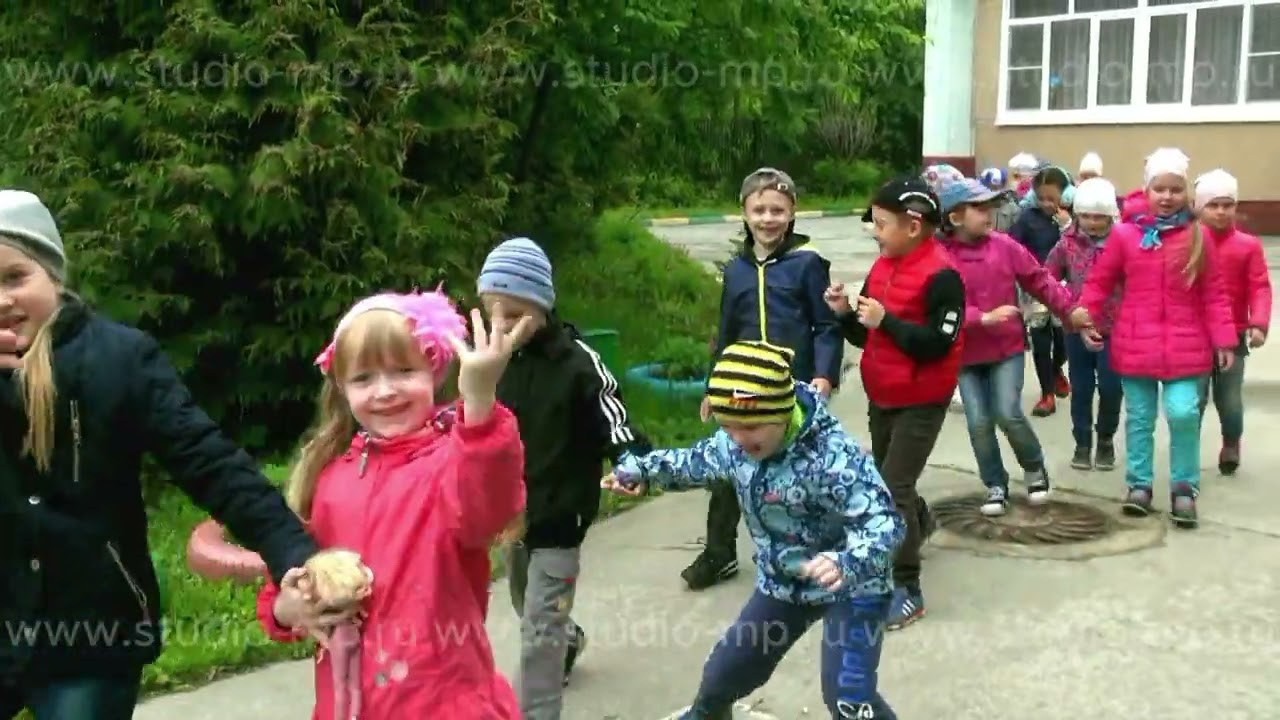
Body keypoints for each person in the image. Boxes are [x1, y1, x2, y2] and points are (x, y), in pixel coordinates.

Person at [0, 189, 320, 719]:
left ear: (53, 276)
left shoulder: (120, 359)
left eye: (15, 278)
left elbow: (209, 461)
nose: (3, 300)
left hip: (91, 634)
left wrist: (290, 549)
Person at [256, 289, 528, 718]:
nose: (385, 391)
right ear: (342, 389)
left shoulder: (451, 462)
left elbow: (486, 508)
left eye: (404, 371)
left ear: (434, 373)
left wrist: (479, 401)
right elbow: (293, 575)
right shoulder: (329, 478)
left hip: (442, 705)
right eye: (363, 379)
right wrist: (289, 607)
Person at [602, 341, 903, 720]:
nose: (740, 438)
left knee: (849, 695)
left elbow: (884, 520)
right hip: (786, 579)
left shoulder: (833, 457)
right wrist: (643, 472)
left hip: (853, 582)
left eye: (751, 426)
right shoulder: (734, 445)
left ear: (782, 413)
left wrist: (849, 560)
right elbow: (692, 462)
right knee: (722, 675)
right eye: (728, 426)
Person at [475, 237, 651, 717]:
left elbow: (614, 417)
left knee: (537, 639)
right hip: (511, 515)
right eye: (494, 314)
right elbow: (469, 419)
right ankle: (568, 636)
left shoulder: (577, 362)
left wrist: (633, 459)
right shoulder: (492, 362)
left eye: (515, 314)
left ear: (543, 306)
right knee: (522, 600)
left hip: (561, 515)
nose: (504, 326)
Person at [689, 167, 843, 592]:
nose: (768, 218)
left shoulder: (807, 263)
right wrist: (712, 386)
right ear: (745, 212)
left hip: (791, 390)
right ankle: (718, 552)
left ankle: (817, 551)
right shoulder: (737, 269)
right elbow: (726, 330)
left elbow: (826, 326)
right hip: (740, 388)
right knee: (726, 466)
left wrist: (824, 376)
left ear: (792, 213)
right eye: (759, 210)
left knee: (802, 472)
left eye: (778, 210)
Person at [826, 175, 963, 630]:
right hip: (882, 391)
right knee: (889, 481)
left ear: (913, 225)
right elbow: (867, 337)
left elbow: (936, 346)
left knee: (890, 489)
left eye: (882, 224)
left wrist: (887, 322)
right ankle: (919, 523)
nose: (875, 232)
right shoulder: (883, 266)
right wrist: (846, 313)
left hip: (923, 397)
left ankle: (907, 588)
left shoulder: (944, 277)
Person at [1080, 147, 1237, 528]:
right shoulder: (1123, 236)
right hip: (1136, 346)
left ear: (1186, 193)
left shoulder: (1199, 237)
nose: (1167, 197)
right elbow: (1100, 282)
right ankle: (1140, 486)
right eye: (1159, 188)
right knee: (1139, 418)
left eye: (1175, 189)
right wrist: (1086, 318)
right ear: (1146, 190)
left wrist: (1224, 340)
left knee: (1184, 413)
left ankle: (1184, 488)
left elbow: (1215, 293)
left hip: (1188, 348)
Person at [936, 177, 1090, 517]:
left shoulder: (1004, 245)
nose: (988, 213)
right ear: (955, 217)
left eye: (990, 205)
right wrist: (981, 318)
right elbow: (940, 305)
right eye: (978, 207)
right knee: (978, 421)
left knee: (1007, 411)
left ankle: (1034, 468)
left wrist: (1069, 309)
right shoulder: (940, 255)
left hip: (1006, 348)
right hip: (965, 353)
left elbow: (1039, 279)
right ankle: (995, 484)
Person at [1192, 169, 1271, 475]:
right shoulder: (1190, 241)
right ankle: (1188, 451)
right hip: (1195, 336)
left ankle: (1231, 442)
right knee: (1192, 402)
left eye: (1228, 205)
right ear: (1199, 207)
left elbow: (1259, 286)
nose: (1221, 211)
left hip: (1234, 336)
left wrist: (1259, 322)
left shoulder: (1247, 245)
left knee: (1230, 402)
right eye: (1213, 205)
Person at [1045, 177, 1124, 471]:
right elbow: (1047, 277)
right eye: (1086, 215)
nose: (1092, 222)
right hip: (1077, 327)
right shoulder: (1067, 243)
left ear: (1110, 215)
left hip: (1115, 329)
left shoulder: (1123, 241)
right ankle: (1082, 442)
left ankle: (1105, 439)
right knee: (1081, 388)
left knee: (1111, 387)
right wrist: (1065, 305)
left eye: (1099, 217)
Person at [1009, 166, 1075, 416]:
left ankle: (1057, 367)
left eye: (1052, 198)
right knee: (1040, 340)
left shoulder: (1074, 218)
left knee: (1063, 341)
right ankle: (1046, 393)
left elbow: (1081, 248)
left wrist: (1067, 225)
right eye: (1042, 198)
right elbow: (1013, 246)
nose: (1047, 203)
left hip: (1065, 287)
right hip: (1035, 288)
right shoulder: (1027, 218)